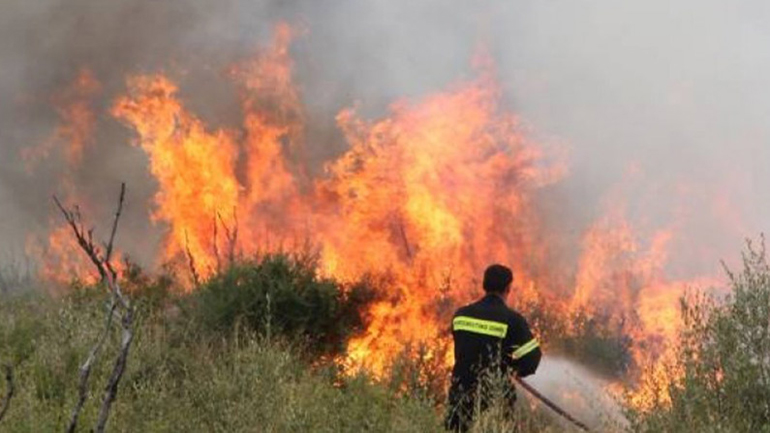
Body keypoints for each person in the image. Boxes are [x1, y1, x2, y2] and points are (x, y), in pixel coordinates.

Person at [445, 264, 542, 432]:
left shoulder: (461, 315)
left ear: (484, 285)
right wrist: (513, 369)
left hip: (461, 393)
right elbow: (533, 357)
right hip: (495, 396)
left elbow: (464, 347)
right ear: (508, 288)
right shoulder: (513, 320)